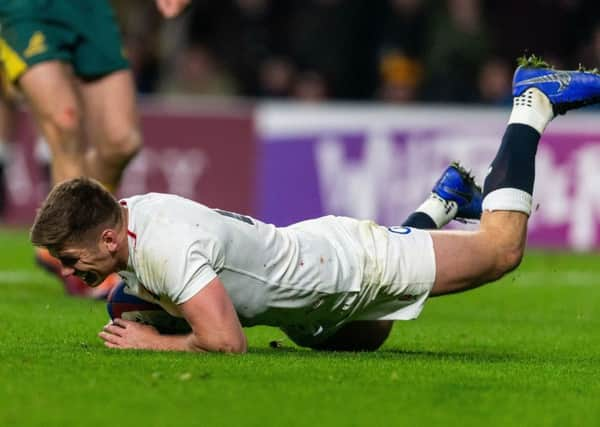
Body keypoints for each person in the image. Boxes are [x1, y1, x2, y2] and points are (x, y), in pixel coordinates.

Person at [30, 57, 600, 353]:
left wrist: (156, 341)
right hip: (310, 302)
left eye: (70, 256)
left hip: (351, 265)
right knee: (369, 338)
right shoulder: (125, 216)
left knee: (500, 250)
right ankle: (440, 202)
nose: (68, 269)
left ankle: (533, 102)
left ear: (107, 237)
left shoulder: (164, 246)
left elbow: (227, 344)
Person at [0, 0, 190, 297]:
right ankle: (76, 249)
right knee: (65, 121)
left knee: (121, 141)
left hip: (89, 9)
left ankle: (65, 238)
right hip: (23, 7)